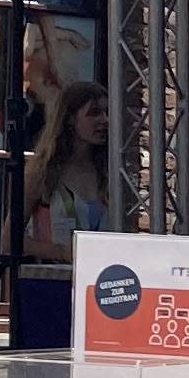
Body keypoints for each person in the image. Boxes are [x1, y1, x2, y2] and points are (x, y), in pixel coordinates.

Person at [23, 80, 114, 259]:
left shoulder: (113, 172)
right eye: (94, 113)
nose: (104, 120)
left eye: (107, 113)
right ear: (70, 118)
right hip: (55, 280)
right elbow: (9, 241)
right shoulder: (44, 170)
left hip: (105, 279)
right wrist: (63, 253)